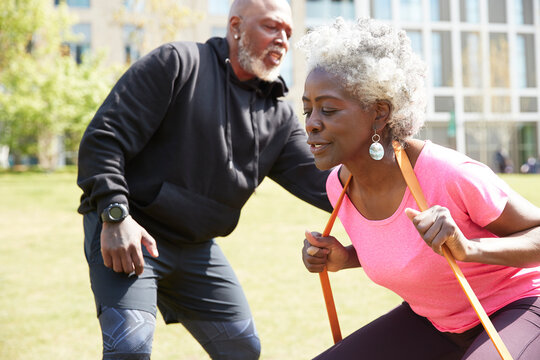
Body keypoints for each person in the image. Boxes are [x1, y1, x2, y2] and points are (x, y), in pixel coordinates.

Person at [77, 1, 332, 359]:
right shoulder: (178, 63)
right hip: (133, 231)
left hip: (197, 248)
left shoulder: (278, 115)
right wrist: (115, 215)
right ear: (236, 26)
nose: (282, 40)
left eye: (288, 34)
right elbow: (103, 139)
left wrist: (391, 187)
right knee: (129, 350)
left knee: (243, 350)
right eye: (272, 27)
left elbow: (324, 184)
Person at [298, 18, 540, 359]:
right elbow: (406, 249)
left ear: (379, 114)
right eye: (307, 109)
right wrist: (344, 257)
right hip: (435, 322)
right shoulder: (338, 187)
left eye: (328, 109)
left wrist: (469, 249)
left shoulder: (447, 173)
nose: (311, 122)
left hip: (519, 307)